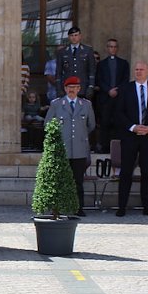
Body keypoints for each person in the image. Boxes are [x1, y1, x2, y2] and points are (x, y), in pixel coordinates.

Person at [115, 61, 148, 217]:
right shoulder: (125, 89)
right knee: (126, 172)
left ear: (147, 71)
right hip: (130, 136)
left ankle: (147, 207)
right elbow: (119, 112)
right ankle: (122, 207)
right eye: (136, 69)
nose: (138, 72)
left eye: (141, 69)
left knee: (147, 172)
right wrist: (133, 127)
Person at [45, 76, 96, 216]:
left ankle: (78, 208)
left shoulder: (86, 104)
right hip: (63, 149)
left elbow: (91, 125)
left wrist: (80, 136)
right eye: (69, 88)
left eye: (74, 87)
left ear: (79, 89)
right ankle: (60, 208)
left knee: (78, 181)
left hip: (79, 150)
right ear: (65, 89)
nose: (71, 90)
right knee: (60, 180)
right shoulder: (57, 104)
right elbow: (48, 124)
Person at [94, 39, 130, 153]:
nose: (112, 49)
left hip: (119, 97)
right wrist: (108, 90)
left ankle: (118, 148)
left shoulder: (124, 63)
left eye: (114, 47)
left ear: (117, 48)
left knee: (119, 122)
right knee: (105, 122)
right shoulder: (101, 64)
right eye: (110, 46)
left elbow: (126, 79)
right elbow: (99, 79)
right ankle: (104, 147)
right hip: (106, 97)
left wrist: (117, 90)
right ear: (107, 48)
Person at [55, 26, 95, 98]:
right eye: (71, 35)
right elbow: (58, 72)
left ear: (80, 36)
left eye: (76, 35)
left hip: (83, 88)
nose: (74, 37)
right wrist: (59, 88)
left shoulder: (87, 50)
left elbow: (92, 70)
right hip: (67, 88)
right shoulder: (62, 52)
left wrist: (91, 86)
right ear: (68, 37)